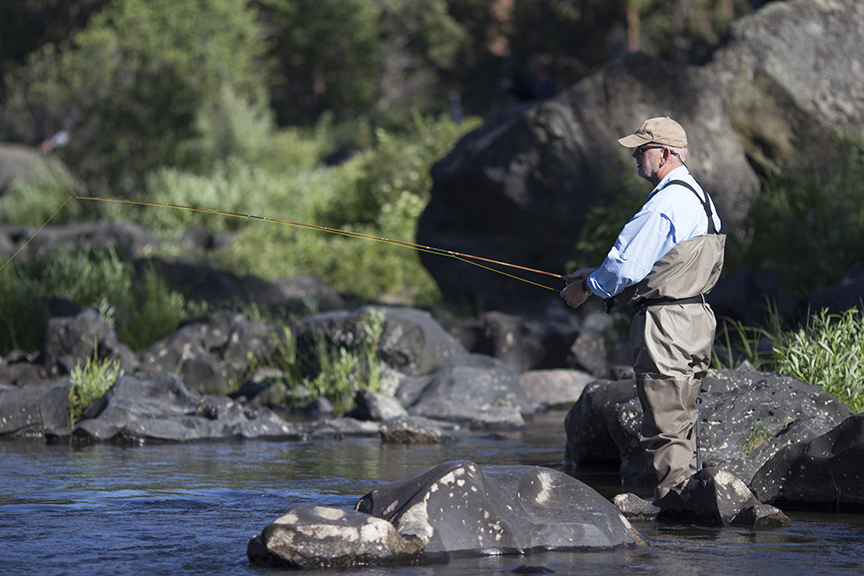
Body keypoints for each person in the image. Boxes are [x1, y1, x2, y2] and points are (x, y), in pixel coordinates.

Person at [559, 117, 725, 500]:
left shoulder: (665, 203)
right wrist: (597, 274)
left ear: (666, 154)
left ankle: (677, 512)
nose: (635, 156)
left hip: (666, 324)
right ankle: (690, 503)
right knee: (683, 421)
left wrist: (588, 287)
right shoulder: (697, 195)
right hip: (696, 318)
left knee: (665, 426)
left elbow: (625, 267)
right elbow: (657, 262)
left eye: (642, 149)